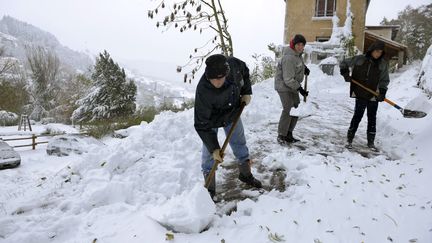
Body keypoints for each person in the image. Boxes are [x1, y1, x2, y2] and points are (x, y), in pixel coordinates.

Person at [194, 54, 262, 199]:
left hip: (232, 113)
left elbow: (245, 71)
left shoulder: (234, 66)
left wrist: (246, 92)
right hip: (211, 120)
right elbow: (201, 124)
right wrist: (214, 148)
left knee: (239, 143)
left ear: (227, 72)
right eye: (214, 79)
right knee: (209, 155)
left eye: (221, 78)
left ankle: (245, 174)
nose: (218, 82)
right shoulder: (203, 91)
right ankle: (209, 189)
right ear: (208, 76)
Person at [339, 40, 390, 150]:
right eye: (376, 51)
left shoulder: (382, 64)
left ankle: (371, 143)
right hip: (360, 92)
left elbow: (384, 80)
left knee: (372, 118)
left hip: (373, 95)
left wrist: (382, 92)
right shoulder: (359, 59)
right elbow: (344, 63)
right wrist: (345, 73)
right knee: (357, 116)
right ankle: (349, 140)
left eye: (380, 52)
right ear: (371, 50)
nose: (378, 54)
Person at [274, 34, 309, 145]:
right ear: (294, 44)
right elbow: (288, 79)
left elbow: (298, 66)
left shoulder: (297, 55)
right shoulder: (289, 57)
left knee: (296, 107)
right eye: (298, 44)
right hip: (284, 86)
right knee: (288, 108)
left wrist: (304, 69)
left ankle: (288, 134)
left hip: (292, 86)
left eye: (302, 45)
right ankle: (281, 135)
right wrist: (300, 89)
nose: (300, 47)